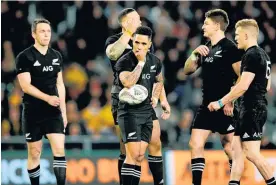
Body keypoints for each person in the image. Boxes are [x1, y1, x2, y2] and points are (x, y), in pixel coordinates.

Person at [105, 8, 170, 185]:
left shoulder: (145, 42)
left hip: (146, 98)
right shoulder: (114, 42)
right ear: (125, 23)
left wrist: (162, 99)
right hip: (124, 99)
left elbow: (155, 73)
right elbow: (112, 54)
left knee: (155, 142)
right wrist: (127, 33)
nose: (140, 22)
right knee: (129, 151)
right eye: (136, 19)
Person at [208, 19, 276, 185]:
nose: (236, 38)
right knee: (236, 151)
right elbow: (266, 86)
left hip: (252, 108)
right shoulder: (263, 55)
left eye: (237, 35)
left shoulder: (251, 55)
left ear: (246, 35)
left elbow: (243, 85)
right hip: (251, 107)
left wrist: (221, 102)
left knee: (252, 153)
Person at [183, 9, 242, 185]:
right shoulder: (206, 48)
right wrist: (194, 54)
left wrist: (229, 100)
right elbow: (187, 70)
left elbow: (242, 76)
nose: (203, 27)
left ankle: (235, 182)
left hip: (225, 105)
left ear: (217, 26)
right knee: (195, 143)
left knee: (229, 147)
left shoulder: (230, 48)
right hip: (206, 105)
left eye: (206, 23)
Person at [15, 18, 67, 185]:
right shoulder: (24, 57)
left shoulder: (56, 56)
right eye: (42, 31)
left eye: (48, 31)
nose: (46, 34)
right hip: (33, 111)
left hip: (54, 111)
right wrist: (47, 98)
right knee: (35, 152)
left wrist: (64, 112)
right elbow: (25, 86)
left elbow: (60, 84)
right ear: (34, 34)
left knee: (59, 149)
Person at [115, 26, 164, 185]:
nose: (139, 47)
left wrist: (156, 98)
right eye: (136, 42)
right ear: (132, 41)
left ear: (149, 44)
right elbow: (128, 82)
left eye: (143, 43)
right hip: (129, 113)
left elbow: (159, 81)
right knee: (133, 154)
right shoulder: (124, 61)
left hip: (147, 112)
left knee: (140, 155)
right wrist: (141, 63)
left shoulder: (155, 61)